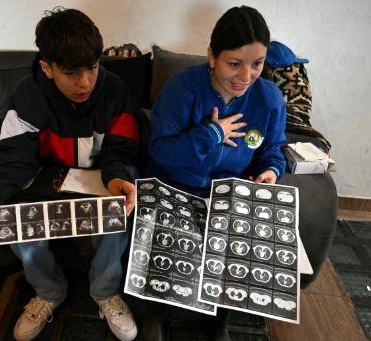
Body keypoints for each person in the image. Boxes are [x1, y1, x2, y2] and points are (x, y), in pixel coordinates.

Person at [0, 8, 139, 341]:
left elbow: (122, 148)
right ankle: (49, 292)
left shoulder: (115, 90)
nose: (85, 82)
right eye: (71, 72)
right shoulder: (27, 95)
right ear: (47, 67)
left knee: (120, 216)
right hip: (45, 179)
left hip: (99, 177)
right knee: (16, 223)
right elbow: (16, 161)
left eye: (92, 68)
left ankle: (104, 292)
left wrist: (118, 177)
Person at [147, 6, 287, 341]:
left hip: (226, 191)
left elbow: (272, 147)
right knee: (164, 243)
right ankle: (156, 312)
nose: (246, 76)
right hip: (174, 184)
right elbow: (160, 149)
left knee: (236, 244)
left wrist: (271, 170)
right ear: (212, 56)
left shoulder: (268, 98)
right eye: (234, 63)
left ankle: (216, 320)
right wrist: (210, 134)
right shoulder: (183, 89)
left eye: (257, 64)